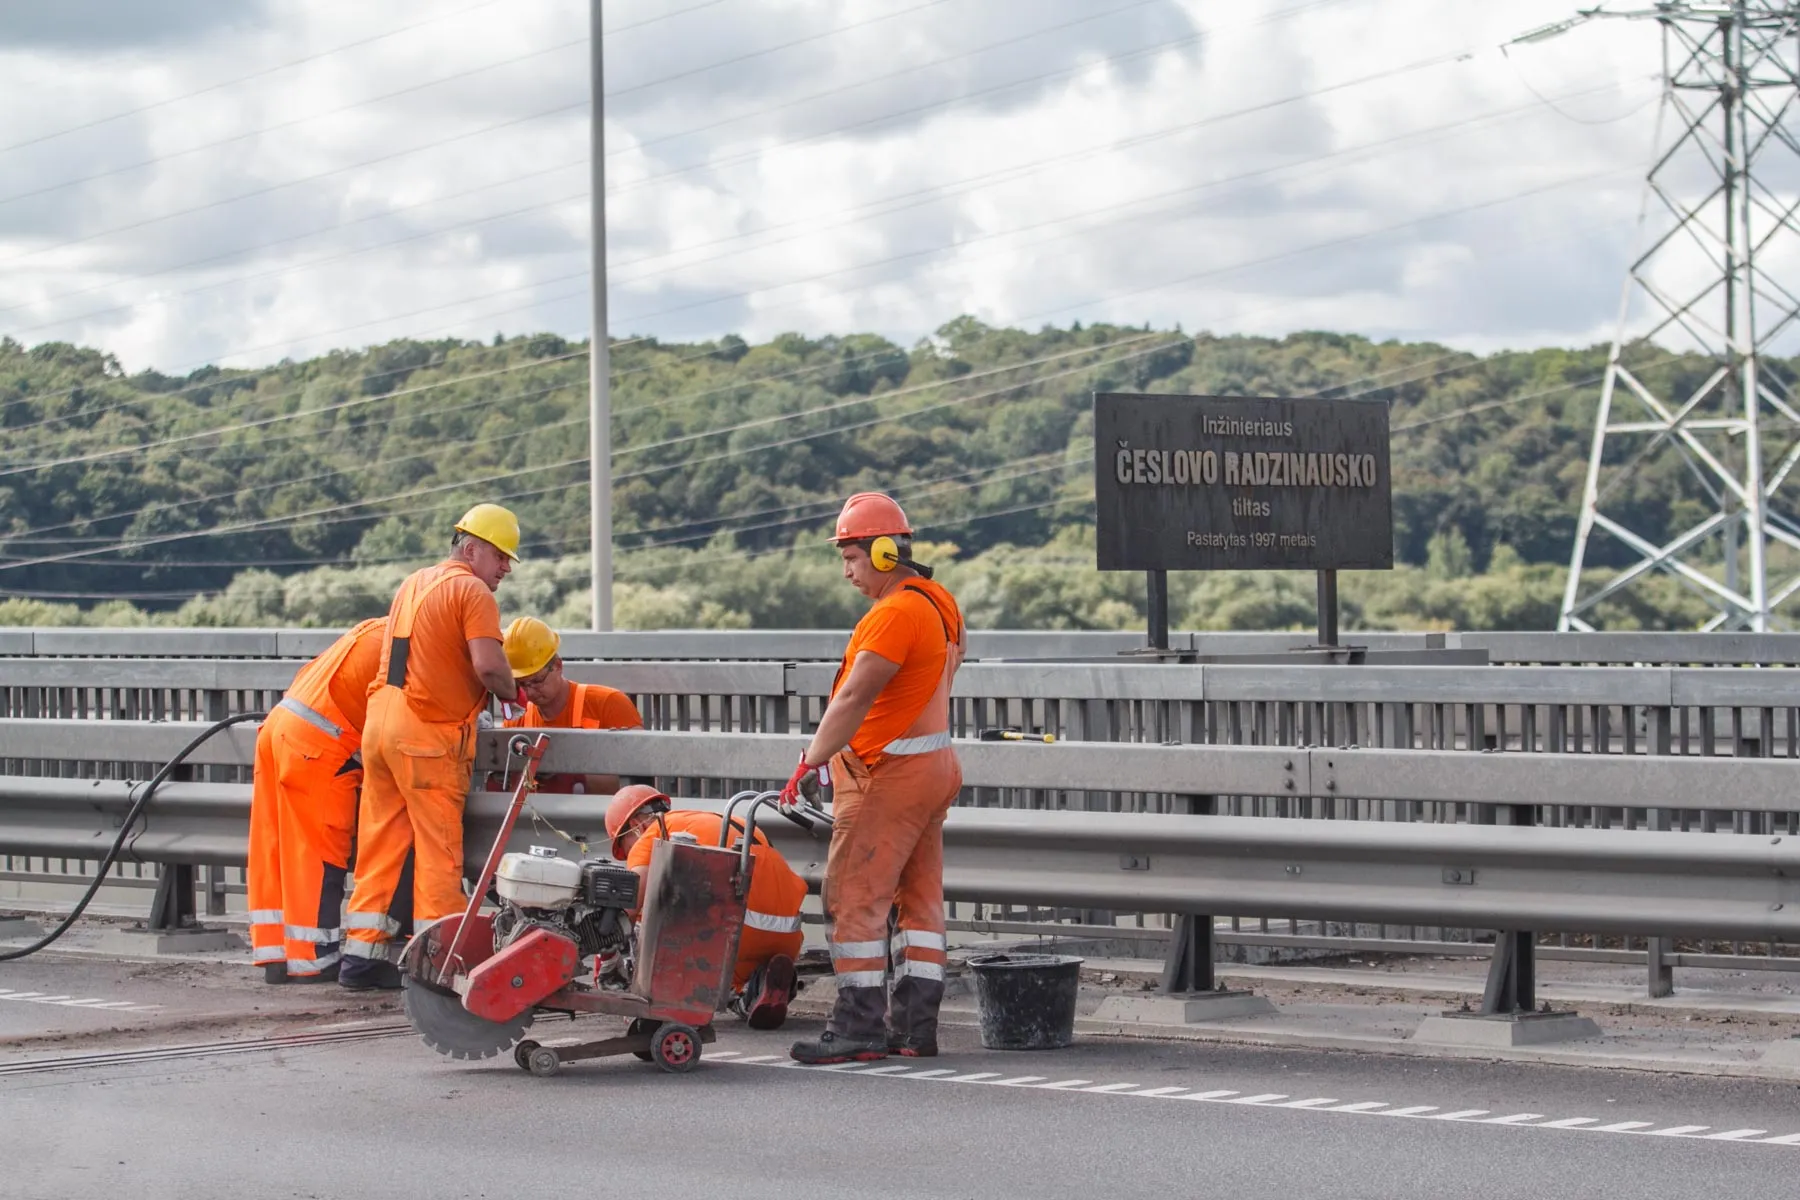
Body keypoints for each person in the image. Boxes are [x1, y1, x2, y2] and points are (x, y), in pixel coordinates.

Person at [780, 493, 965, 1064]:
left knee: (856, 897)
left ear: (885, 552)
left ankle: (857, 1028)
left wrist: (811, 758)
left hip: (887, 774)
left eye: (852, 557)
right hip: (934, 769)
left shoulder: (892, 615)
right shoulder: (940, 602)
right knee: (920, 902)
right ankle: (914, 1028)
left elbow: (856, 697)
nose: (846, 571)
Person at [338, 504, 527, 990]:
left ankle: (361, 957)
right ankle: (438, 964)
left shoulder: (414, 582)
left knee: (379, 846)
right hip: (427, 735)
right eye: (501, 556)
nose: (505, 568)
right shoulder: (474, 592)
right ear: (472, 549)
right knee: (439, 853)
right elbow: (488, 666)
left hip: (380, 726)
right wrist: (513, 692)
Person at [247, 617, 386, 984]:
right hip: (318, 747)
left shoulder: (375, 630)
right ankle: (314, 958)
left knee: (274, 848)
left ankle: (275, 955)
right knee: (318, 854)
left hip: (278, 727)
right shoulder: (419, 645)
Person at [605, 784, 806, 1030]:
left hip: (736, 934)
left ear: (637, 824)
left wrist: (606, 957)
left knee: (642, 921)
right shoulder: (719, 821)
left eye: (624, 847)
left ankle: (657, 1000)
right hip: (787, 935)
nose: (628, 857)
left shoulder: (653, 834)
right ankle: (759, 985)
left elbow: (630, 907)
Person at [500, 615, 643, 795]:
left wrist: (573, 778)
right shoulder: (517, 719)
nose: (529, 692)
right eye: (520, 684)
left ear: (558, 666)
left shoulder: (608, 703)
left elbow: (640, 778)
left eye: (537, 681)